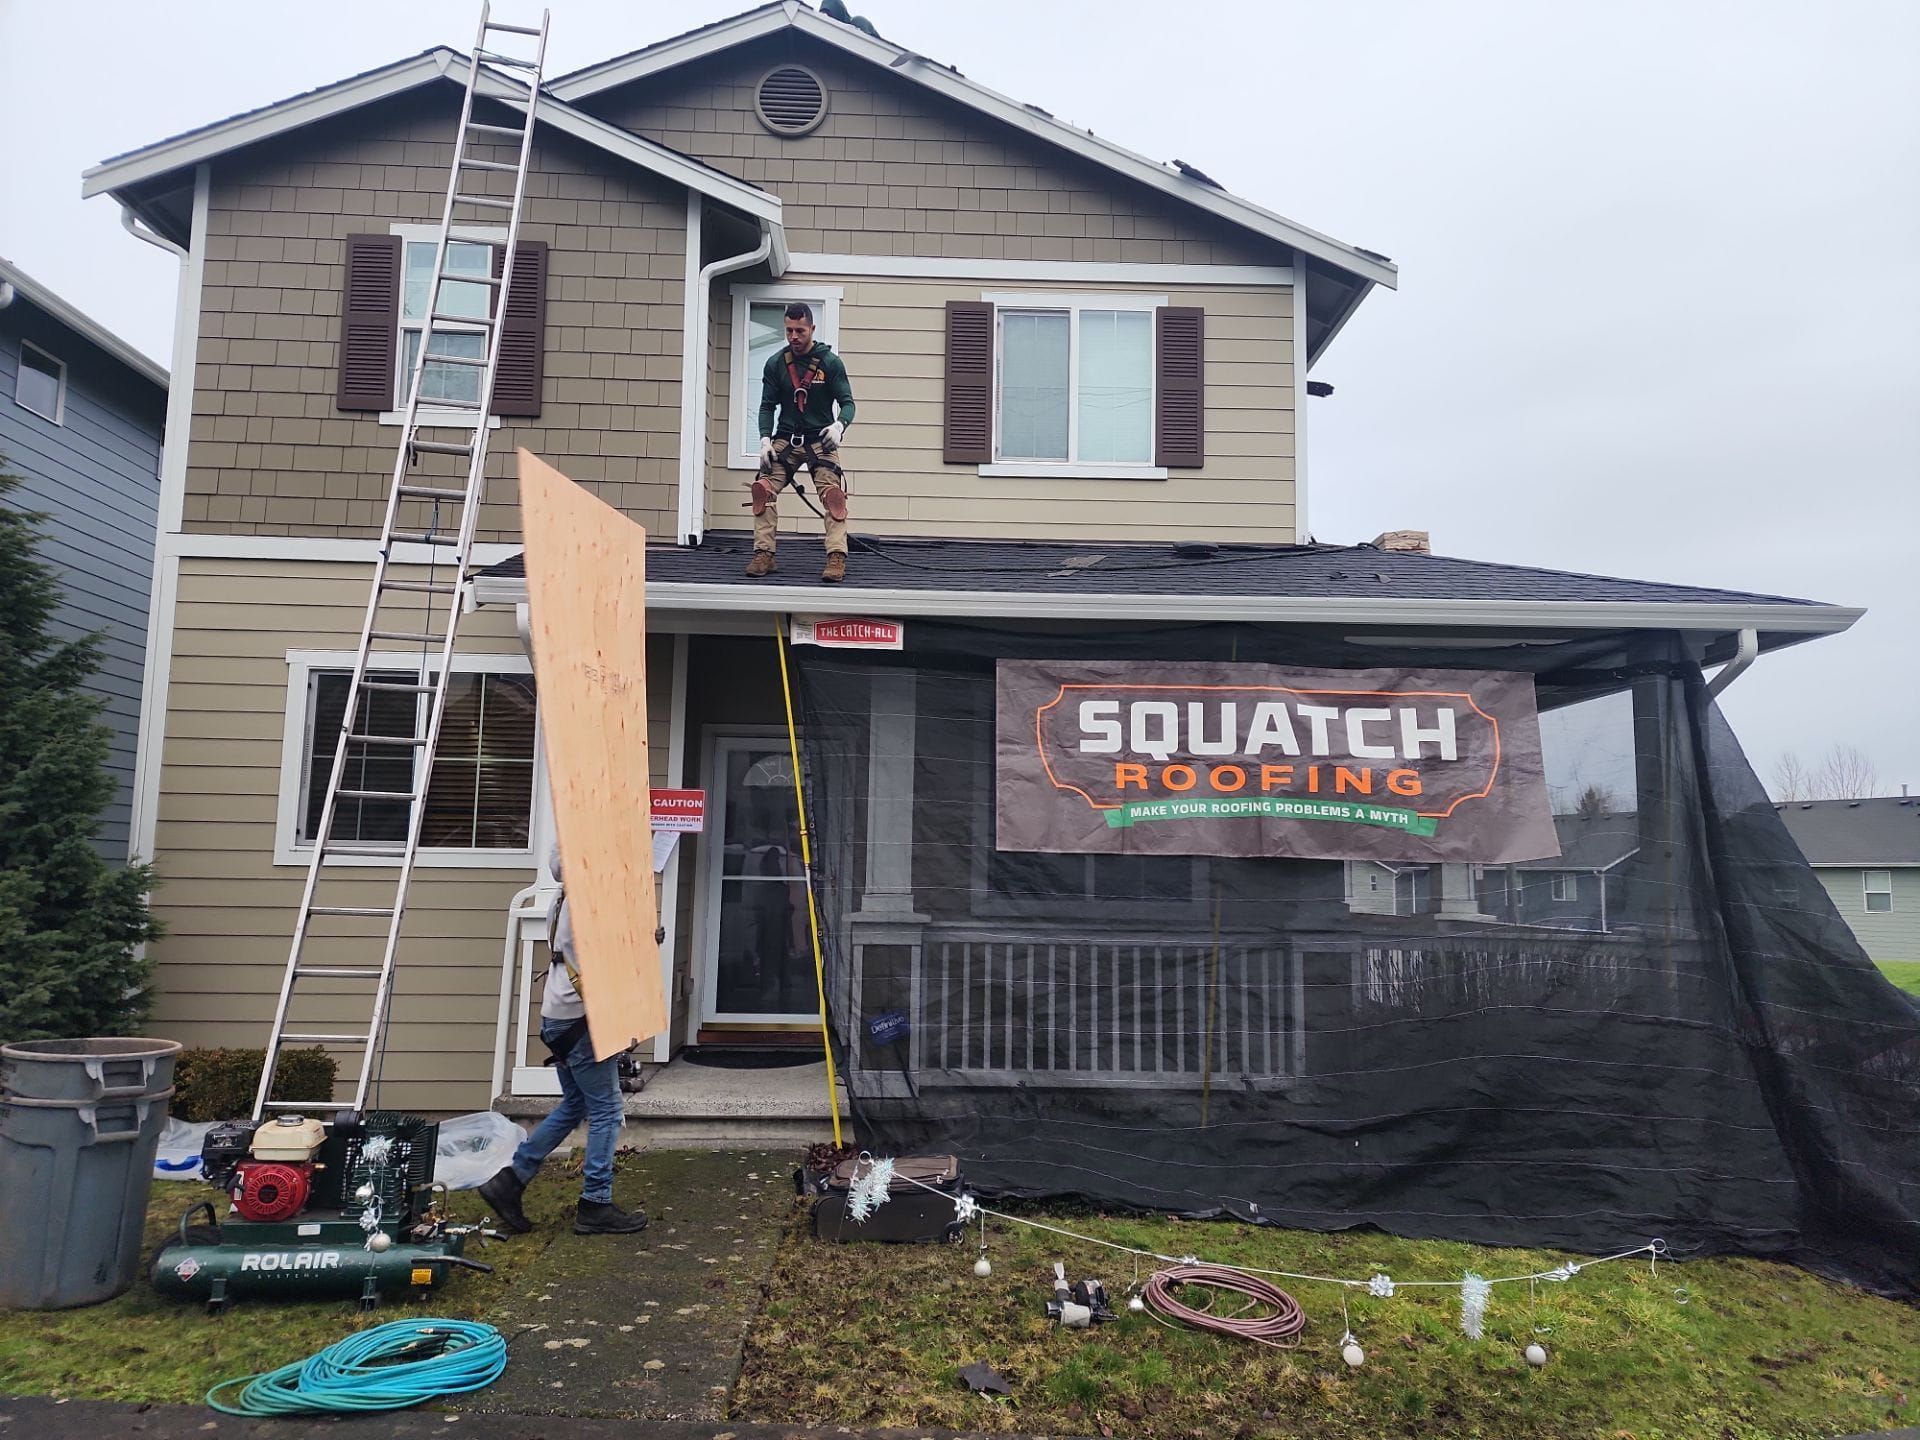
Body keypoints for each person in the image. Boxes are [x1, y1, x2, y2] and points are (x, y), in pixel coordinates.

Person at [478, 843, 647, 1236]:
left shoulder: (561, 899)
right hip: (580, 1019)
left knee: (575, 1104)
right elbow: (603, 963)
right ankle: (596, 1204)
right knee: (607, 1111)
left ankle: (511, 1180)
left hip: (558, 1016)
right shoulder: (586, 905)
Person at [746, 302, 856, 583]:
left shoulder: (830, 364)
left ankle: (836, 555)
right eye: (789, 330)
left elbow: (848, 403)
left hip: (820, 439)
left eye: (800, 331)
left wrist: (839, 426)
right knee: (762, 490)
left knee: (833, 496)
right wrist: (765, 440)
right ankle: (764, 553)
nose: (794, 336)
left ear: (812, 329)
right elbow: (767, 406)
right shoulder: (775, 364)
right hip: (786, 439)